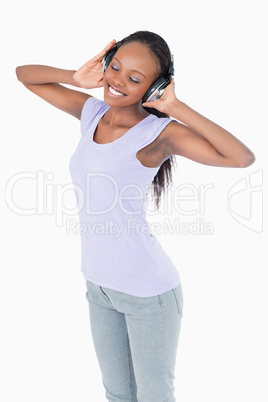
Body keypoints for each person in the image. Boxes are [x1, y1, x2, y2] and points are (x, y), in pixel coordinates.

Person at [15, 30, 255, 402]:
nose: (117, 81)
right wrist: (75, 76)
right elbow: (23, 74)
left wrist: (174, 107)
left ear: (154, 86)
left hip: (149, 295)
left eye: (135, 78)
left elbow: (241, 158)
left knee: (154, 397)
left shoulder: (159, 134)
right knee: (117, 395)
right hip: (99, 288)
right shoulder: (91, 112)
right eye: (116, 67)